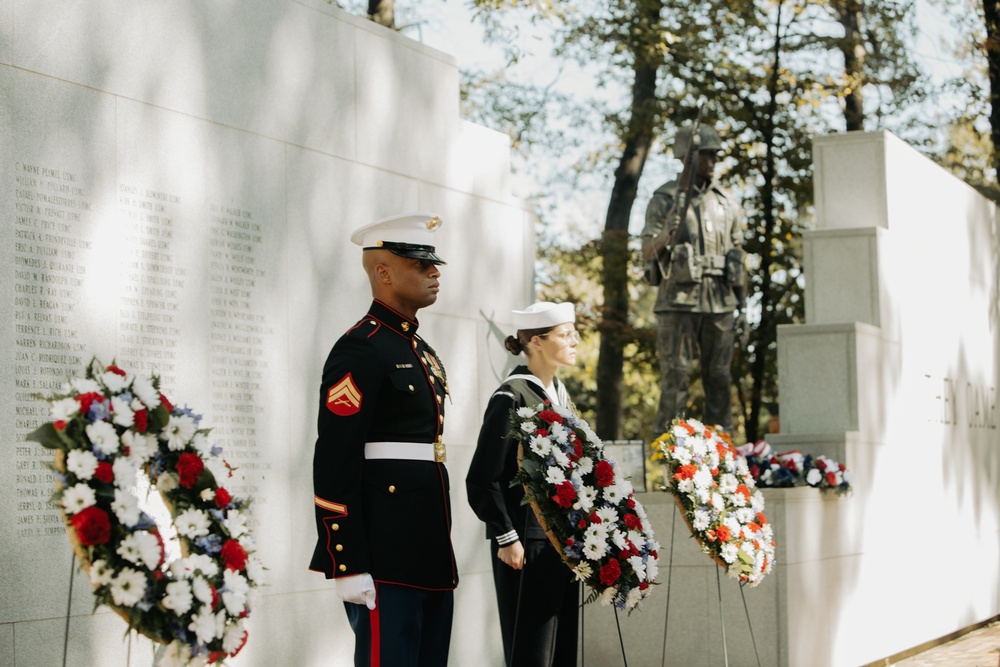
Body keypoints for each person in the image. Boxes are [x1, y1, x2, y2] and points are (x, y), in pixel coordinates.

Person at [310, 211, 457, 667]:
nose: (434, 272)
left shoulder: (420, 350)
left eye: (433, 264)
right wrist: (345, 559)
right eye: (420, 265)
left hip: (429, 545)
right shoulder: (361, 347)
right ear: (384, 272)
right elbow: (335, 457)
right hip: (383, 551)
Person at [466, 301, 582, 667]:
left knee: (561, 652)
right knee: (532, 654)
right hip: (526, 545)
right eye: (565, 335)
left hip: (563, 545)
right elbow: (483, 477)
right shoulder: (512, 395)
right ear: (535, 342)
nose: (575, 341)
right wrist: (507, 536)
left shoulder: (562, 399)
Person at [641, 123, 747, 437]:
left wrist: (743, 309)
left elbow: (739, 257)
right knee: (676, 377)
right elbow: (647, 250)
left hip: (720, 299)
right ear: (688, 157)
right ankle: (669, 451)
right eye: (706, 156)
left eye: (715, 156)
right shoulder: (665, 198)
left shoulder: (726, 202)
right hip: (678, 300)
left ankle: (724, 452)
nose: (713, 162)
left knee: (719, 377)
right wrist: (667, 233)